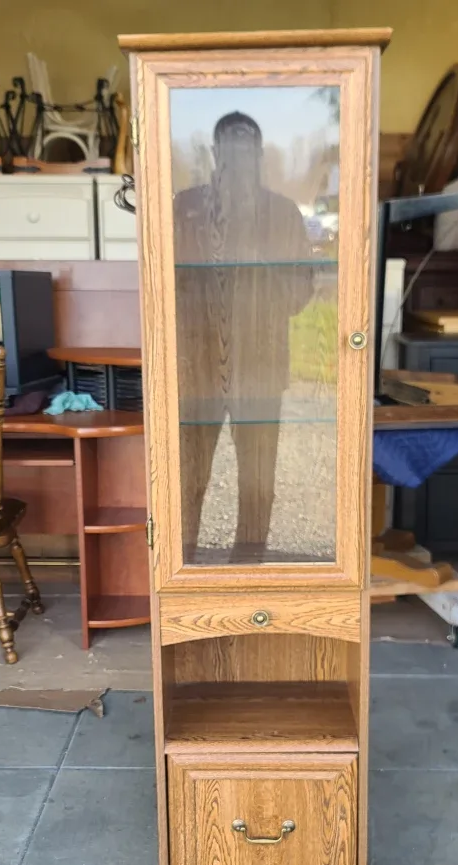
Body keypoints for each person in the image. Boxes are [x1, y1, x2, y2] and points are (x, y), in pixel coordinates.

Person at [173, 111, 314, 563]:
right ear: (215, 154)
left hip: (260, 366)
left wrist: (260, 263)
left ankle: (248, 570)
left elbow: (298, 296)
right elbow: (165, 293)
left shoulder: (283, 213)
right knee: (189, 476)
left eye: (247, 151)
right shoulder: (185, 208)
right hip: (195, 366)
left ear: (259, 155)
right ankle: (183, 565)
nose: (239, 160)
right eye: (229, 151)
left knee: (258, 481)